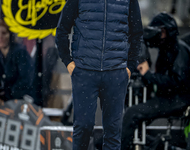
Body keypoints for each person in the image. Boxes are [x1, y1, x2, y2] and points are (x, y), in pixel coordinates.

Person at [56, 0, 143, 149]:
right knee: (83, 127)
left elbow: (137, 32)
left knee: (113, 132)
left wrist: (129, 67)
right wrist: (68, 62)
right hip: (85, 72)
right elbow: (62, 29)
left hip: (115, 73)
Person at [121, 12, 190, 149]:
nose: (157, 35)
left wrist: (147, 74)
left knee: (132, 114)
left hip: (177, 99)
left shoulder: (179, 50)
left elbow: (175, 82)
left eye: (160, 31)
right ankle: (149, 144)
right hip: (167, 97)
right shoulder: (166, 50)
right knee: (133, 111)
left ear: (166, 31)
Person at [0, 20, 34, 106]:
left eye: (4, 33)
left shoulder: (20, 52)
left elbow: (26, 82)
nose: (0, 37)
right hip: (8, 99)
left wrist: (5, 99)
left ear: (10, 35)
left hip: (24, 101)